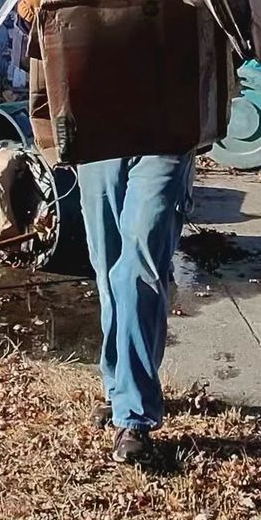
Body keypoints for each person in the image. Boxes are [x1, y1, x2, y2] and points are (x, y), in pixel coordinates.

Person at [74, 154, 196, 464]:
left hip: (165, 134)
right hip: (98, 138)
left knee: (136, 273)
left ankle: (133, 416)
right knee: (107, 268)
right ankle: (119, 386)